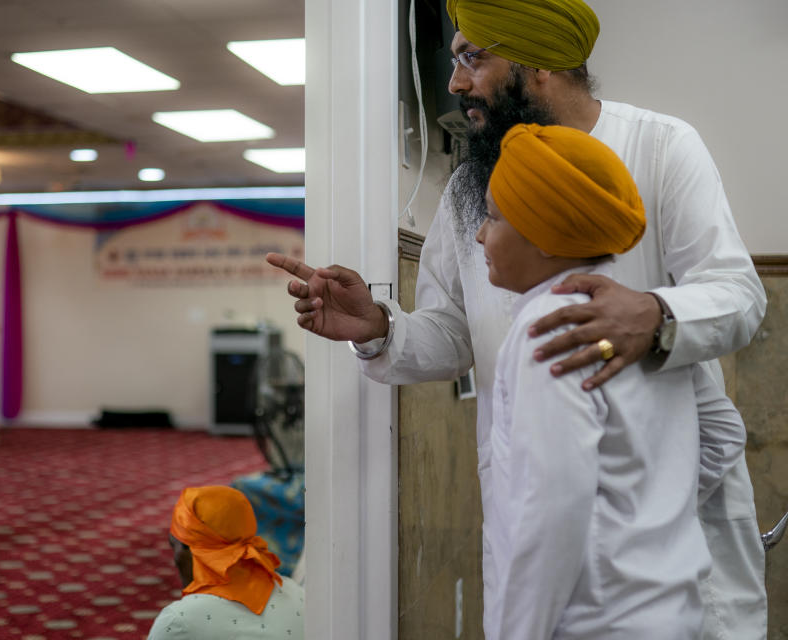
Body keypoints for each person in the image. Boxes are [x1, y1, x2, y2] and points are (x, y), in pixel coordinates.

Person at [266, 0, 767, 636]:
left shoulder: (661, 145)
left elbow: (739, 295)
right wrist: (380, 328)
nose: (455, 83)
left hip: (671, 543)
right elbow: (455, 332)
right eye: (453, 60)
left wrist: (652, 315)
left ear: (539, 67)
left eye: (473, 58)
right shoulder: (472, 185)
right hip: (543, 533)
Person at [478, 122, 710, 638]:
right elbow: (721, 440)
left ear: (544, 236)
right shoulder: (639, 320)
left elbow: (552, 507)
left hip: (596, 623)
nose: (479, 233)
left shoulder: (553, 328)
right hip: (672, 613)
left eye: (493, 217)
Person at [147, 485, 304, 640]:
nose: (175, 560)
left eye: (173, 545)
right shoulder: (300, 596)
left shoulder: (179, 621)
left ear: (188, 549)